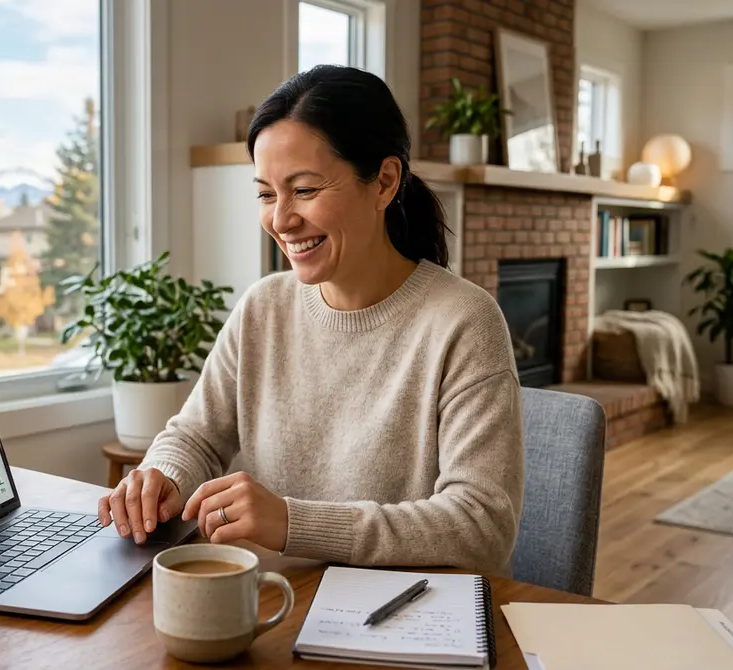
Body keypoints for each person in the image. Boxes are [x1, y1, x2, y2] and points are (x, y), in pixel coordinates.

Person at [97, 65, 524, 574]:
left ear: (385, 182)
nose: (280, 219)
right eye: (265, 193)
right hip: (268, 602)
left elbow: (482, 526)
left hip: (394, 618)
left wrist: (293, 523)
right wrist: (161, 476)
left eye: (303, 190)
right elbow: (196, 437)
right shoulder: (263, 308)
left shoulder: (464, 322)